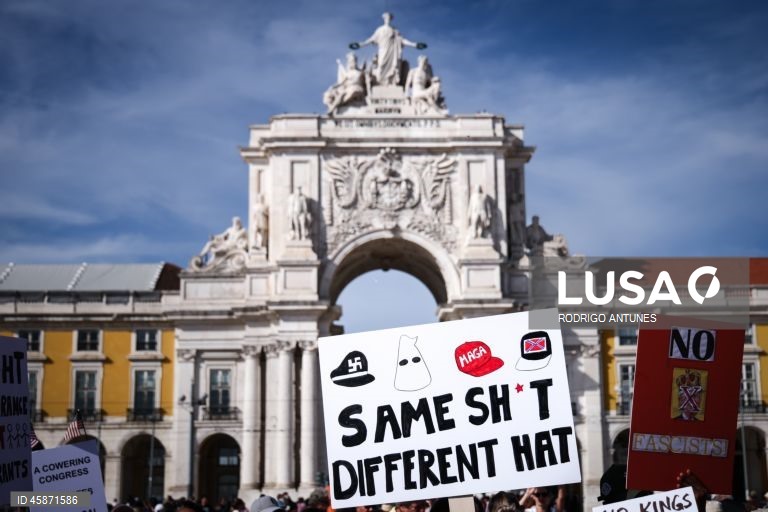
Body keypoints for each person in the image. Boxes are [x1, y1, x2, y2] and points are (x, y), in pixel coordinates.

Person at [352, 12, 426, 86]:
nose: (388, 19)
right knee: (381, 65)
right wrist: (360, 44)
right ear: (384, 19)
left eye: (389, 18)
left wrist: (414, 45)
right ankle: (380, 83)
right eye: (386, 18)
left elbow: (402, 40)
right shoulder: (380, 30)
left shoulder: (395, 30)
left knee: (394, 67)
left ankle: (392, 83)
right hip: (383, 50)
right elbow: (371, 39)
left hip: (393, 52)